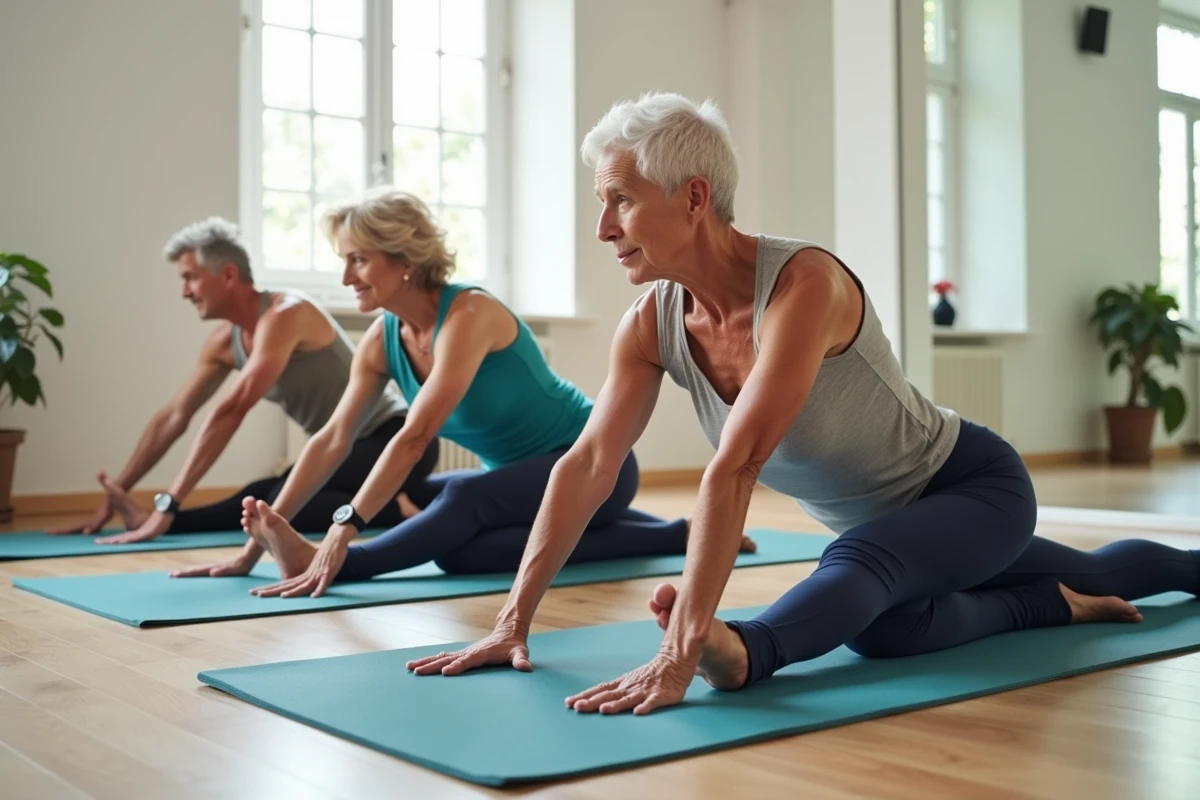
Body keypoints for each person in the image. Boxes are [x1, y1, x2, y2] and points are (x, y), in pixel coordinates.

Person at [404, 91, 1200, 714]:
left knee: (858, 569)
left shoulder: (804, 285)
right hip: (888, 531)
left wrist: (688, 647)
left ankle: (748, 650)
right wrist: (513, 621)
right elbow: (588, 463)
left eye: (619, 199)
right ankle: (1058, 604)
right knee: (894, 624)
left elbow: (737, 464)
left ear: (693, 197)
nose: (603, 226)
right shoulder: (649, 324)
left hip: (970, 491)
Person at [178, 188, 726, 595]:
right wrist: (253, 550)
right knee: (461, 551)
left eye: (359, 259)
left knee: (459, 499)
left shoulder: (469, 314)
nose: (346, 277)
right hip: (520, 479)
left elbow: (414, 437)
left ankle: (348, 566)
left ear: (405, 260)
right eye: (343, 260)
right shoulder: (381, 340)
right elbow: (332, 439)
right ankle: (670, 534)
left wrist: (341, 535)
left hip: (595, 466)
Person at [49, 217, 437, 546]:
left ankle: (393, 504)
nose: (184, 292)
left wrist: (169, 503)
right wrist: (118, 491)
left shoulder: (288, 313)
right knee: (261, 496)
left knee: (275, 502)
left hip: (390, 438)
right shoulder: (223, 342)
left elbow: (232, 409)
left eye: (191, 278)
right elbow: (173, 416)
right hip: (339, 451)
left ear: (229, 275)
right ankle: (400, 503)